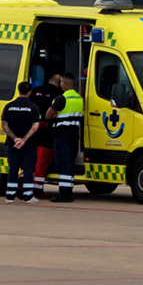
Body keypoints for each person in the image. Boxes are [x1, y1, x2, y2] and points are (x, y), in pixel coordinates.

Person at [1, 81, 40, 202]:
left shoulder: (9, 106)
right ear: (30, 92)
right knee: (28, 168)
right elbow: (35, 126)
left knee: (13, 168)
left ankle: (10, 196)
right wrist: (24, 140)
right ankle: (28, 196)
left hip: (12, 144)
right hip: (28, 144)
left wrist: (15, 139)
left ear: (19, 90)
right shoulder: (33, 107)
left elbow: (4, 125)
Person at [46, 74, 83, 202]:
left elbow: (48, 115)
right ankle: (68, 192)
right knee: (70, 163)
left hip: (62, 135)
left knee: (63, 164)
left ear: (63, 83)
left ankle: (64, 195)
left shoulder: (61, 99)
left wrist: (56, 114)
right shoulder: (79, 98)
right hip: (74, 135)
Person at [30, 74, 59, 199]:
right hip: (49, 132)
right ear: (60, 82)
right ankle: (37, 189)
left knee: (34, 160)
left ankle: (23, 184)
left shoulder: (35, 91)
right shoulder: (59, 94)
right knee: (43, 161)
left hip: (35, 130)